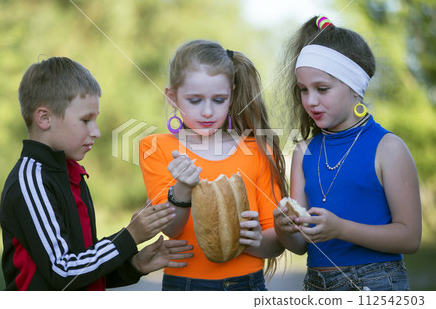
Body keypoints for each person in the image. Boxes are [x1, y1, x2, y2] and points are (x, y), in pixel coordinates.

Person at [0, 57, 194, 291]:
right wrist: (129, 236)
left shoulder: (72, 174)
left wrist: (134, 265)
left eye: (96, 119)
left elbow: (82, 268)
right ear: (44, 118)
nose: (97, 132)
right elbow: (61, 271)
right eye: (86, 120)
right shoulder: (32, 180)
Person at [273, 16, 422, 291]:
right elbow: (300, 246)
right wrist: (284, 229)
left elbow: (410, 238)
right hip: (315, 284)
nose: (310, 101)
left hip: (374, 283)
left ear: (355, 87)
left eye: (322, 89)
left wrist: (342, 229)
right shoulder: (304, 152)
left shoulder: (388, 148)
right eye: (303, 90)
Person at [139, 39, 287, 291]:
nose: (207, 111)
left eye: (218, 99)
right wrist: (183, 187)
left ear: (232, 95)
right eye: (195, 100)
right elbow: (172, 229)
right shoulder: (155, 147)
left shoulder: (259, 150)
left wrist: (254, 240)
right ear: (172, 97)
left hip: (247, 285)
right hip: (184, 285)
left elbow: (276, 243)